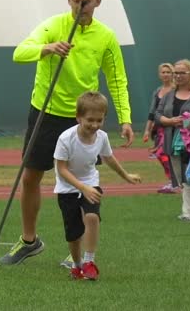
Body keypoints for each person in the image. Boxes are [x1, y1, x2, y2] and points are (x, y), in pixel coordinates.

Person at [1, 0, 134, 265]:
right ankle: (29, 241)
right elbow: (19, 53)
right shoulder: (53, 26)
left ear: (97, 2)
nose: (81, 6)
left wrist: (125, 118)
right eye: (76, 0)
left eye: (86, 1)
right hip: (46, 111)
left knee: (80, 185)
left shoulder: (106, 37)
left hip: (82, 121)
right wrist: (47, 49)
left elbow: (116, 78)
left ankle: (77, 254)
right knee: (30, 176)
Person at [54, 91, 140, 280]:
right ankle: (76, 267)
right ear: (78, 118)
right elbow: (62, 169)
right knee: (73, 234)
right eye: (90, 120)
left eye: (99, 120)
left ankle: (89, 262)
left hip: (91, 184)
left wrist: (126, 176)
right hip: (67, 188)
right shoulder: (65, 138)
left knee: (92, 217)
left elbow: (108, 158)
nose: (95, 125)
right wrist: (81, 187)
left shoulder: (102, 137)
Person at [157, 59, 190, 221]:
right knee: (182, 178)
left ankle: (188, 212)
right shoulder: (168, 95)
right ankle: (189, 211)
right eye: (176, 73)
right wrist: (169, 121)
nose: (178, 76)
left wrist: (188, 122)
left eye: (182, 73)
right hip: (174, 142)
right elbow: (158, 115)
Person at [144, 63, 177, 193]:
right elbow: (152, 112)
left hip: (173, 128)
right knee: (161, 155)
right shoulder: (158, 91)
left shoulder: (177, 90)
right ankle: (173, 181)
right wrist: (147, 129)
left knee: (164, 153)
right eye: (163, 72)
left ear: (173, 74)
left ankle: (174, 182)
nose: (165, 74)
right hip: (159, 129)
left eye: (168, 72)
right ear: (159, 74)